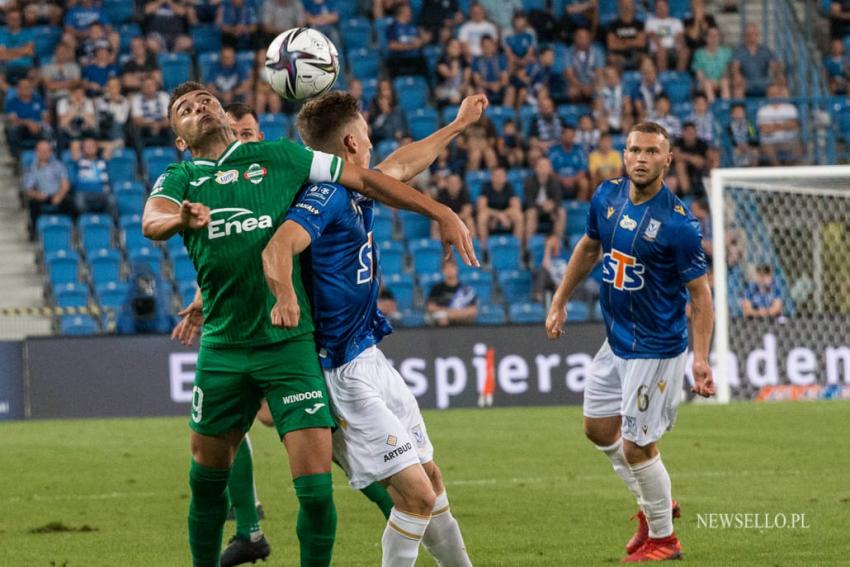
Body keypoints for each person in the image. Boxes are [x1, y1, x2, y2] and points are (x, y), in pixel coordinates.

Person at [141, 81, 476, 567]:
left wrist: (456, 138)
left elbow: (389, 171)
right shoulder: (192, 177)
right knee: (211, 480)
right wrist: (184, 228)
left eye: (206, 100)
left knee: (401, 488)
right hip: (281, 354)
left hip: (330, 349)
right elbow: (183, 226)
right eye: (185, 109)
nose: (200, 108)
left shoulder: (296, 165)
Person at [262, 91, 485, 565]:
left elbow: (404, 164)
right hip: (337, 370)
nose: (373, 144)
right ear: (349, 142)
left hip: (367, 354)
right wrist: (283, 294)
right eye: (366, 136)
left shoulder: (359, 184)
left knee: (432, 480)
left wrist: (456, 126)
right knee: (416, 498)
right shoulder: (326, 195)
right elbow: (280, 246)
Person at [171, 102, 395, 566]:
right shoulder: (202, 180)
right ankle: (251, 529)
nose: (247, 141)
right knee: (247, 444)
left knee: (316, 459)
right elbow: (233, 247)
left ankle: (396, 505)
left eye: (251, 132)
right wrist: (200, 295)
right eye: (241, 133)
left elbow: (377, 174)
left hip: (297, 338)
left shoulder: (288, 170)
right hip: (233, 342)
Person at [545, 121, 715, 562]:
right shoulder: (607, 196)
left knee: (636, 445)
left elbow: (701, 294)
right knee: (598, 428)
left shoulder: (679, 226)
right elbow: (587, 248)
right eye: (635, 150)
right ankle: (652, 501)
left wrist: (700, 360)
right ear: (624, 154)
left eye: (652, 152)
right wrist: (560, 299)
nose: (642, 158)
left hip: (656, 347)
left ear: (668, 159)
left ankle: (664, 538)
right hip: (616, 339)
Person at [23, 140, 75, 239]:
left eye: (47, 151)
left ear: (51, 152)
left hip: (57, 194)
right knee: (32, 204)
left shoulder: (58, 165)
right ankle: (34, 231)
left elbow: (65, 184)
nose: (44, 153)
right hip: (41, 196)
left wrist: (59, 196)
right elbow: (28, 189)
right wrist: (37, 195)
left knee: (70, 202)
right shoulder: (31, 168)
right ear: (37, 152)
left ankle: (71, 230)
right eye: (42, 151)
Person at [476, 166, 523, 253]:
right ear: (492, 177)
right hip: (490, 217)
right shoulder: (486, 187)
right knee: (481, 216)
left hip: (507, 217)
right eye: (497, 175)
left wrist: (504, 215)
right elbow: (481, 207)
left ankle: (516, 248)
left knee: (518, 216)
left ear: (505, 177)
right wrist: (498, 215)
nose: (499, 178)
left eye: (502, 175)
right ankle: (485, 251)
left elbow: (516, 206)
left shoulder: (509, 187)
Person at [523, 157, 565, 247]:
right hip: (535, 210)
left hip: (550, 211)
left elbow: (558, 200)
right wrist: (543, 206)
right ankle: (528, 248)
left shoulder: (555, 181)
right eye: (541, 166)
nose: (544, 168)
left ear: (550, 168)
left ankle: (557, 245)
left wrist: (553, 205)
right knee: (531, 213)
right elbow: (529, 202)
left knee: (561, 213)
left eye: (546, 166)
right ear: (536, 168)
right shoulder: (529, 181)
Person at [425, 257, 478, 326]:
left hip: (461, 317)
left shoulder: (465, 290)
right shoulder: (437, 288)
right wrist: (447, 312)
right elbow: (430, 307)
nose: (449, 270)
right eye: (446, 268)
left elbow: (473, 310)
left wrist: (456, 314)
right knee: (442, 319)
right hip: (444, 317)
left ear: (457, 268)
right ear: (442, 271)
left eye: (451, 267)